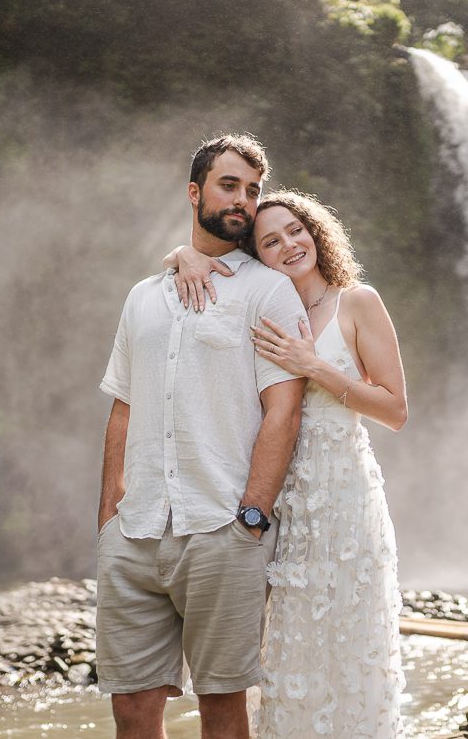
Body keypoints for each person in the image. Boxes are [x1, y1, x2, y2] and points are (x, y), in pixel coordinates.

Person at [169, 189, 407, 738]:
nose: (289, 245)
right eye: (271, 241)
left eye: (296, 230)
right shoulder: (258, 303)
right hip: (279, 505)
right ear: (258, 255)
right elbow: (199, 263)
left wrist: (313, 366)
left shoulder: (357, 302)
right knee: (290, 653)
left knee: (351, 644)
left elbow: (395, 409)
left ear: (316, 232)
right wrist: (180, 256)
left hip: (346, 502)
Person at [95, 133, 307, 739]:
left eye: (253, 189)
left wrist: (252, 518)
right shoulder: (142, 298)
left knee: (222, 707)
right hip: (134, 532)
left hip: (220, 527)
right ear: (195, 193)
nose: (242, 199)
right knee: (131, 709)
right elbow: (123, 408)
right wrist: (108, 515)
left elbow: (283, 411)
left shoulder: (268, 290)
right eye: (229, 185)